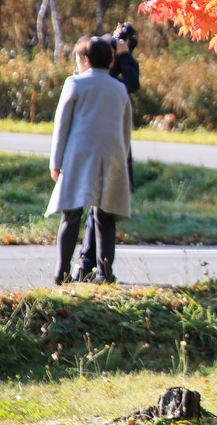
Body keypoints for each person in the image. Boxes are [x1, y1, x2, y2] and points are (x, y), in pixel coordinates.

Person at [47, 35, 132, 285]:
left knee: (71, 214)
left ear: (85, 60)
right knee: (105, 216)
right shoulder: (120, 88)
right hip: (112, 156)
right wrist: (122, 158)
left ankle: (61, 273)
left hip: (78, 156)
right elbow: (125, 130)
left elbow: (61, 124)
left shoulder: (74, 84)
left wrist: (56, 160)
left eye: (77, 58)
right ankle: (105, 274)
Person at [75, 22, 139, 281]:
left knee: (97, 210)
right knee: (102, 211)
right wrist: (125, 57)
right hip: (108, 149)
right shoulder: (104, 80)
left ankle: (87, 265)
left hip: (99, 148)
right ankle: (96, 268)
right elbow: (131, 83)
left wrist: (125, 53)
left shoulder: (93, 78)